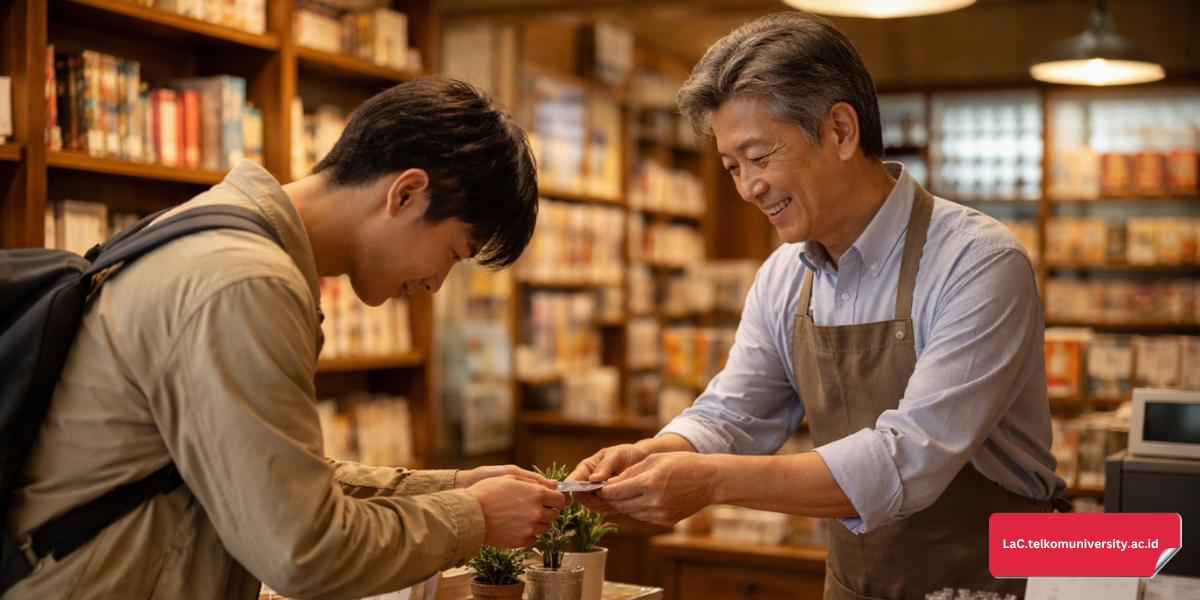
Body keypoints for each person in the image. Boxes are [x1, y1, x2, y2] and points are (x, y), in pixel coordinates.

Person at [6, 76, 569, 600]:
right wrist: (475, 517)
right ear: (406, 194)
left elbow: (269, 480)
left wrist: (453, 486)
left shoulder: (212, 230)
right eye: (453, 253)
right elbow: (303, 549)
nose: (436, 283)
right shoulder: (245, 282)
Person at [569, 12, 1067, 600]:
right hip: (855, 586)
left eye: (759, 156)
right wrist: (654, 454)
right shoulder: (783, 276)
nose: (748, 187)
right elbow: (735, 414)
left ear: (840, 131)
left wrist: (710, 481)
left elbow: (910, 458)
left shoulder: (978, 262)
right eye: (732, 167)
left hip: (999, 582)